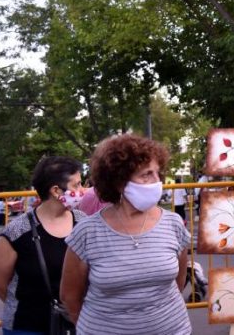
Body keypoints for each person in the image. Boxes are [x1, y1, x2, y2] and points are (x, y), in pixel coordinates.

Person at [60, 134, 191, 335]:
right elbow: (70, 296)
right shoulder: (87, 232)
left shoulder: (173, 224)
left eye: (157, 173)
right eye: (146, 174)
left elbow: (177, 283)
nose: (157, 182)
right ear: (119, 181)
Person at [0, 156, 86, 334]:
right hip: (26, 326)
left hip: (75, 324)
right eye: (77, 185)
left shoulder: (83, 223)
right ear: (56, 191)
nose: (83, 190)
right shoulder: (16, 232)